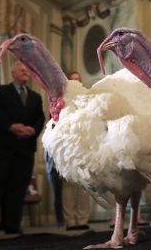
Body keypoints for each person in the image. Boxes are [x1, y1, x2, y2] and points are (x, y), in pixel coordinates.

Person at [0, 62, 45, 236]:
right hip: (3, 146)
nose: (25, 72)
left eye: (27, 70)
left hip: (25, 147)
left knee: (19, 187)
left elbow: (40, 118)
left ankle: (11, 224)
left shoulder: (36, 97)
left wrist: (32, 130)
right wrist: (11, 126)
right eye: (21, 70)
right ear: (12, 73)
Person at [62, 71, 91, 230]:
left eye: (78, 79)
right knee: (68, 184)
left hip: (85, 144)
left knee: (85, 184)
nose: (75, 82)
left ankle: (82, 219)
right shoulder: (61, 100)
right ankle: (70, 220)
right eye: (72, 80)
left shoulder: (88, 99)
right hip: (67, 145)